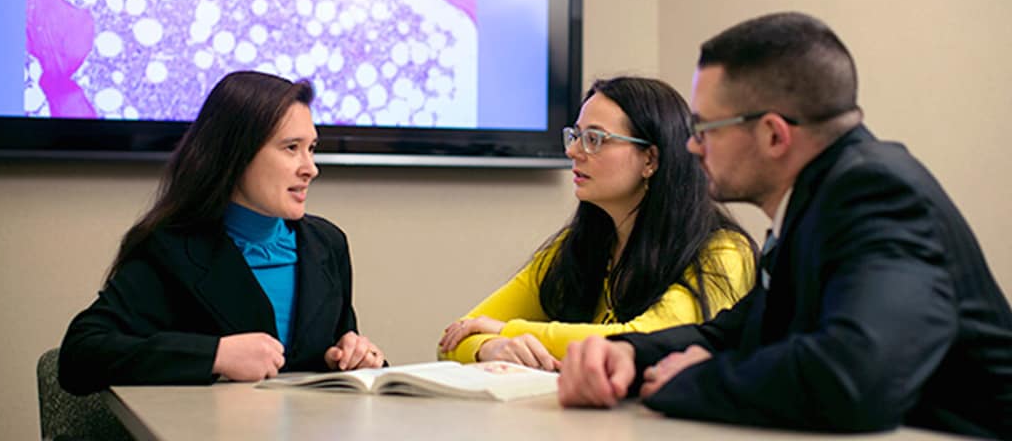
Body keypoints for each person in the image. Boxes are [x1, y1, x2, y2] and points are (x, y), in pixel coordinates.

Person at [557, 13, 1012, 438]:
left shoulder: (877, 194)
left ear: (774, 135)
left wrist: (692, 382)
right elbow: (737, 331)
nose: (693, 147)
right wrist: (629, 355)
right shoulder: (821, 199)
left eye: (705, 128)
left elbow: (852, 379)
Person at [59, 71, 385, 395]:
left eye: (311, 148)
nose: (310, 168)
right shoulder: (170, 248)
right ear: (236, 153)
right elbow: (81, 355)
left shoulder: (327, 244)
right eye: (291, 148)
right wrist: (216, 355)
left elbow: (339, 352)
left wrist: (358, 358)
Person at [437, 77, 756, 370]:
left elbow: (646, 340)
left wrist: (507, 330)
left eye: (595, 139)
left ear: (651, 160)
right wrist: (490, 348)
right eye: (575, 136)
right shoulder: (576, 246)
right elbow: (455, 337)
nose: (573, 151)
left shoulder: (723, 251)